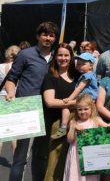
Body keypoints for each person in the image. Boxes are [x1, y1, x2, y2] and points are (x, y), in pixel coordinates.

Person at [5, 21, 58, 181]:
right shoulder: (25, 54)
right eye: (45, 34)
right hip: (27, 110)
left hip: (48, 111)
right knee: (21, 157)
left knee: (41, 157)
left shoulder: (58, 57)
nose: (48, 38)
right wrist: (10, 93)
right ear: (38, 36)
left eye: (51, 35)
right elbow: (11, 79)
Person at [41, 43, 77, 181]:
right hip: (59, 124)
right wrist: (75, 102)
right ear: (55, 57)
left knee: (74, 160)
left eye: (66, 55)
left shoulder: (77, 75)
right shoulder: (50, 77)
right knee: (55, 161)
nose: (63, 58)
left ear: (71, 57)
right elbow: (50, 102)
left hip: (78, 121)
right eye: (60, 55)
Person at [63, 94, 110, 181]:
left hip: (91, 155)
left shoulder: (96, 120)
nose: (83, 112)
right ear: (76, 110)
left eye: (86, 109)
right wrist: (73, 128)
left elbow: (107, 128)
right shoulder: (74, 122)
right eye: (80, 109)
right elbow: (69, 140)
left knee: (89, 178)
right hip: (76, 155)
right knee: (75, 176)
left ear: (91, 108)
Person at [51, 52, 99, 139]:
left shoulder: (88, 76)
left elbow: (79, 89)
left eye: (83, 64)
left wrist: (69, 98)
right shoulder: (85, 74)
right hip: (85, 98)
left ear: (91, 66)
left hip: (87, 99)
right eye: (79, 64)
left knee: (65, 106)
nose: (80, 66)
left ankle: (63, 127)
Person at [0, 46, 20, 155]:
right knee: (15, 134)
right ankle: (16, 162)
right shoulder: (19, 67)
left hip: (1, 98)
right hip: (15, 98)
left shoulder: (0, 67)